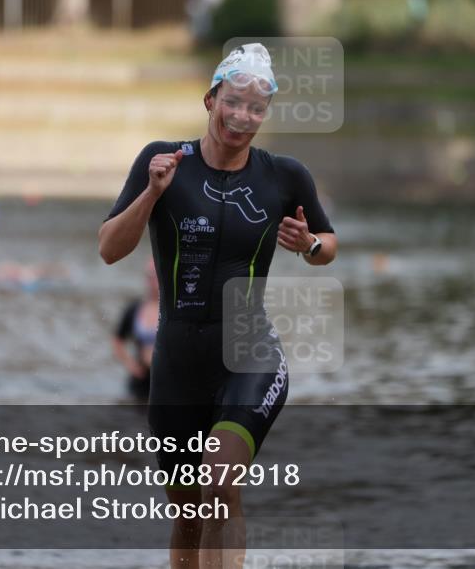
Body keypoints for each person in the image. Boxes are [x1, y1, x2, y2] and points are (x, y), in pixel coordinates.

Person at [98, 42, 336, 569]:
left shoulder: (284, 175)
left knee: (221, 479)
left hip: (248, 353)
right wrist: (152, 194)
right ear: (211, 99)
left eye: (256, 108)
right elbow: (110, 249)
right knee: (187, 512)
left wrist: (310, 245)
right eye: (233, 102)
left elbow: (327, 243)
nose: (243, 117)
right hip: (178, 360)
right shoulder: (163, 161)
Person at [112, 258, 158, 401]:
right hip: (140, 378)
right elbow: (117, 340)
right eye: (149, 276)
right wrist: (131, 364)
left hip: (165, 380)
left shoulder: (173, 310)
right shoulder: (134, 309)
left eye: (155, 276)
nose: (152, 282)